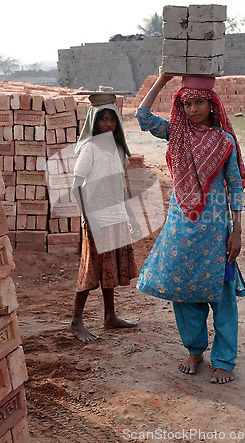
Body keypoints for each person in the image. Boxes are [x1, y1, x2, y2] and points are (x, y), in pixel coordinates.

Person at [135, 73, 245, 383]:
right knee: (183, 293)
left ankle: (224, 360)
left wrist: (237, 230)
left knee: (222, 296)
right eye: (187, 103)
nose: (193, 109)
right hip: (181, 229)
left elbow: (235, 186)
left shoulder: (224, 142)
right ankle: (195, 349)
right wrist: (163, 79)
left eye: (199, 102)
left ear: (212, 105)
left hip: (215, 231)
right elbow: (142, 116)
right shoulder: (177, 135)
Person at [69, 96, 141, 342]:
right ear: (94, 123)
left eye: (111, 119)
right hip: (96, 219)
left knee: (109, 268)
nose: (108, 124)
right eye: (103, 119)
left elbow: (121, 186)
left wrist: (131, 216)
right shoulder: (90, 149)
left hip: (116, 217)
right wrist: (87, 217)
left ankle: (110, 316)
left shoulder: (119, 149)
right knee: (91, 270)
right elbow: (76, 186)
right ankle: (76, 321)